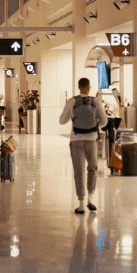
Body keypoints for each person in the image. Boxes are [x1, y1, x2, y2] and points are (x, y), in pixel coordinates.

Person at [59, 78, 108, 214]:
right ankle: (91, 199)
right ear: (89, 87)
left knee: (79, 170)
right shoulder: (96, 101)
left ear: (79, 87)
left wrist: (72, 117)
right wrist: (95, 123)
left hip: (76, 140)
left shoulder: (72, 101)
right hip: (92, 139)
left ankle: (81, 204)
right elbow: (104, 121)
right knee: (92, 168)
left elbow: (62, 120)